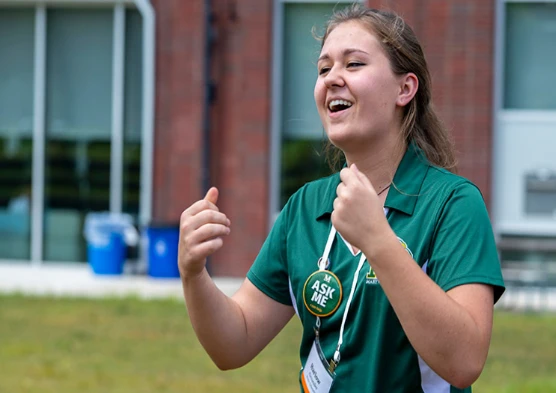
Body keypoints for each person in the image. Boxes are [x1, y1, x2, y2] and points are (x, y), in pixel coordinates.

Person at [177, 4, 505, 392]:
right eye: (323, 68)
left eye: (353, 64)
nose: (332, 78)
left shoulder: (453, 204)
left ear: (405, 89)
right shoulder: (305, 207)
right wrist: (193, 274)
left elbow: (465, 361)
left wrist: (379, 242)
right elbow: (234, 343)